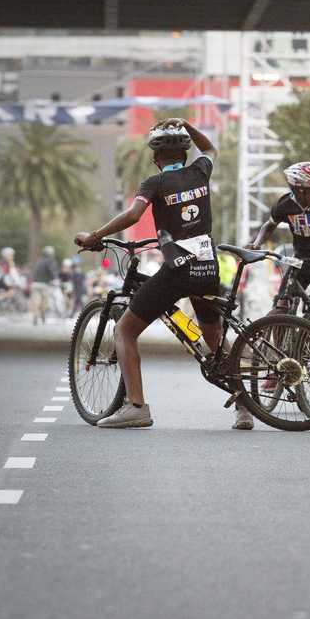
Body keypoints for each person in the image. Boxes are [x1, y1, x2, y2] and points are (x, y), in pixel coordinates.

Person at [73, 118, 232, 429]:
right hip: (208, 266)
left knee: (125, 331)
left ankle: (136, 407)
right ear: (185, 153)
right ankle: (244, 404)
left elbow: (133, 214)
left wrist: (94, 236)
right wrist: (187, 124)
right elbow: (211, 147)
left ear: (155, 157)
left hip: (178, 270)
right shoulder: (201, 171)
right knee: (214, 336)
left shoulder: (155, 184)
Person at [245, 161, 310, 312]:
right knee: (281, 305)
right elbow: (269, 226)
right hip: (301, 262)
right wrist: (256, 244)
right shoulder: (284, 205)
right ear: (299, 191)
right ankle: (281, 331)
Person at [30, 246, 60, 324]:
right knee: (44, 301)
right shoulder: (50, 261)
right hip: (44, 284)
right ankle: (42, 314)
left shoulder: (39, 261)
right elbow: (52, 271)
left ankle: (36, 315)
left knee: (36, 301)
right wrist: (56, 279)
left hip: (35, 283)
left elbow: (34, 272)